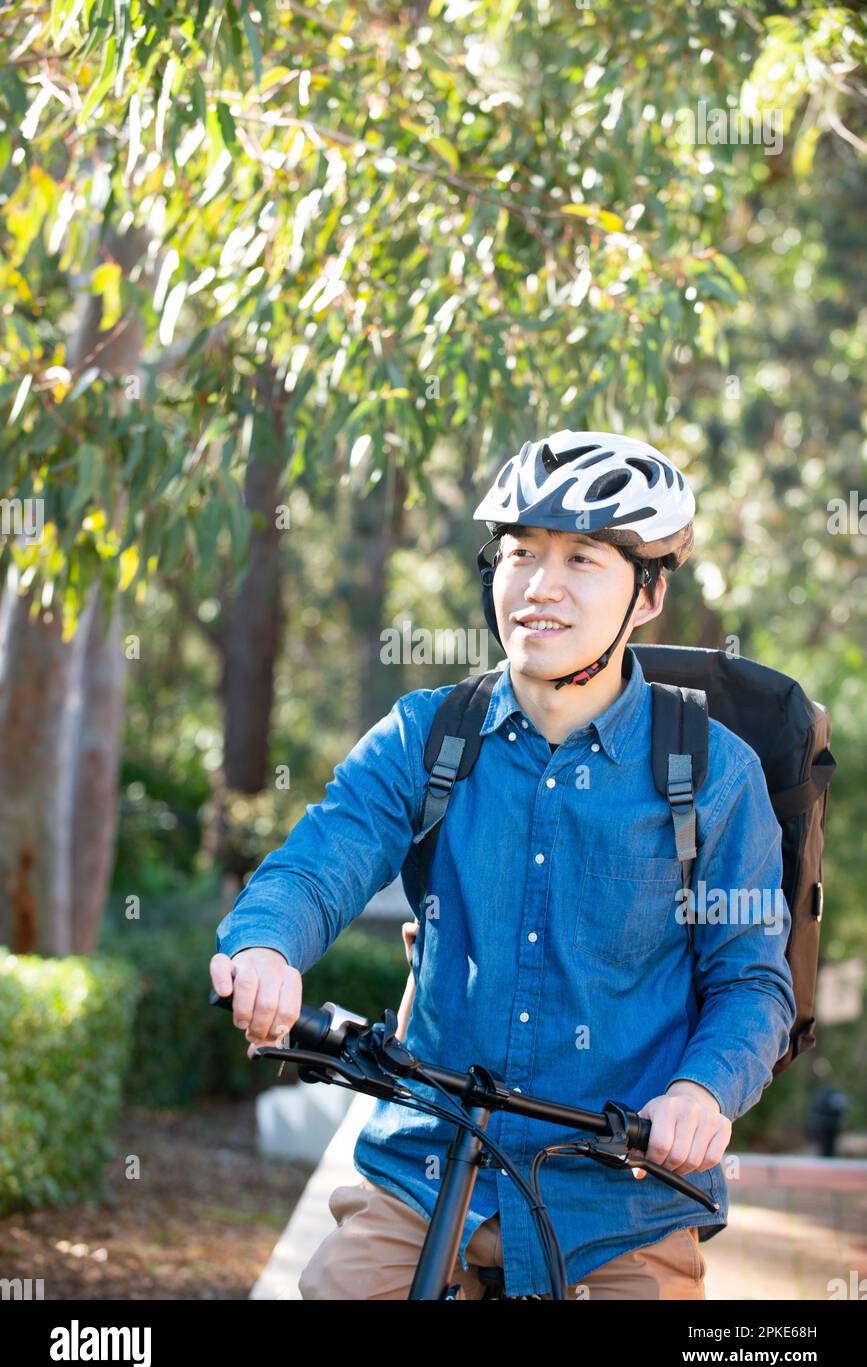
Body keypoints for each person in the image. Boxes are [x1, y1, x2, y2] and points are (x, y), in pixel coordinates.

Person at [210, 429, 796, 1299]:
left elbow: (751, 982)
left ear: (648, 594)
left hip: (619, 1199)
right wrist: (264, 947)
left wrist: (699, 1096)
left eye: (582, 559)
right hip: (427, 1168)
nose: (539, 587)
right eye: (521, 553)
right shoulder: (426, 734)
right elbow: (319, 861)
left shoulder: (713, 774)